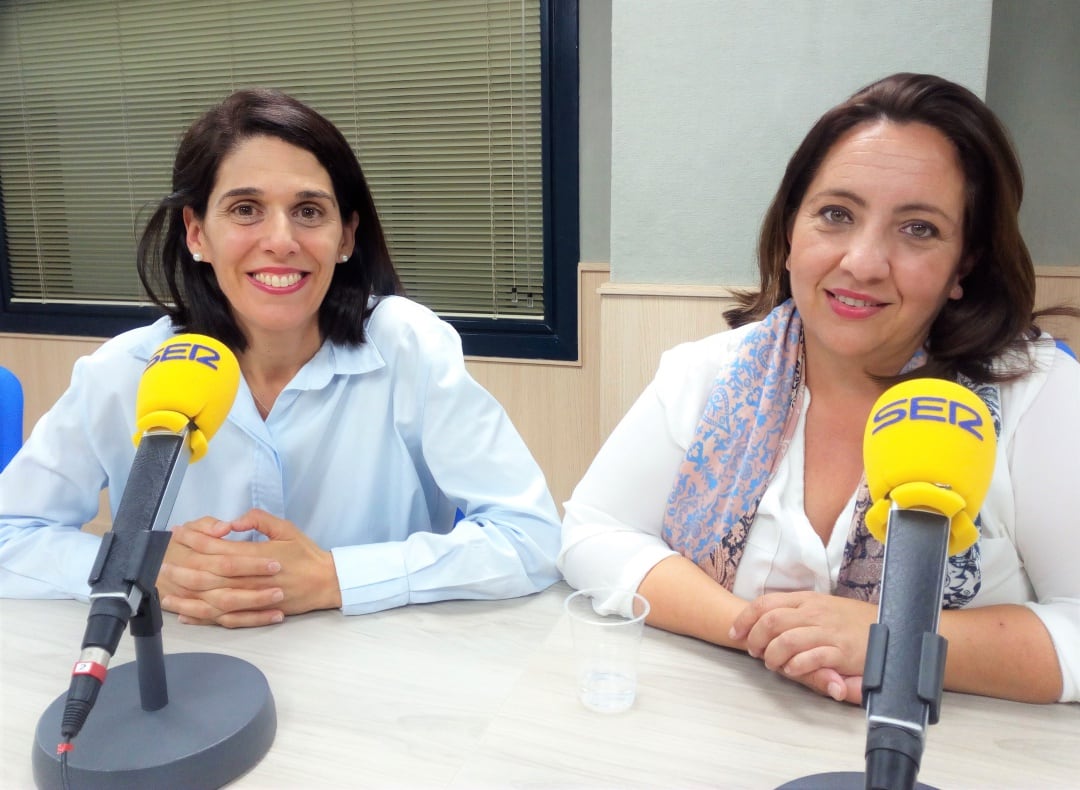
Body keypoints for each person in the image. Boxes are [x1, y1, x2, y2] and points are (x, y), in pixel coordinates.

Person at [559, 73, 1080, 705]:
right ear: (789, 232)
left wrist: (897, 642)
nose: (862, 261)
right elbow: (592, 533)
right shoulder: (705, 375)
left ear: (963, 264)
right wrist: (765, 632)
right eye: (836, 215)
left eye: (918, 229)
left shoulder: (1040, 395)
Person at [0, 89, 561, 627]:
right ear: (197, 233)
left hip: (379, 678)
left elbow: (530, 536)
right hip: (181, 670)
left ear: (345, 236)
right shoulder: (126, 370)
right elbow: (10, 533)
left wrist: (336, 578)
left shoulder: (408, 347)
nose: (281, 240)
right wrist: (135, 569)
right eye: (245, 209)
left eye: (309, 211)